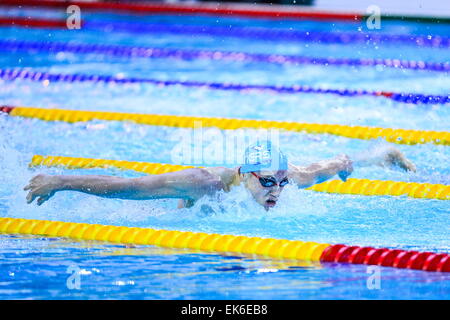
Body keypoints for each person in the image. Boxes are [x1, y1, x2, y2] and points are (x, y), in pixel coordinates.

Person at [24, 141, 416, 210]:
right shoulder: (204, 182)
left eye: (280, 181)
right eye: (266, 182)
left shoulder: (291, 177)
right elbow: (129, 187)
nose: (276, 190)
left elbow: (338, 163)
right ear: (244, 174)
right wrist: (60, 181)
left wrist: (382, 156)